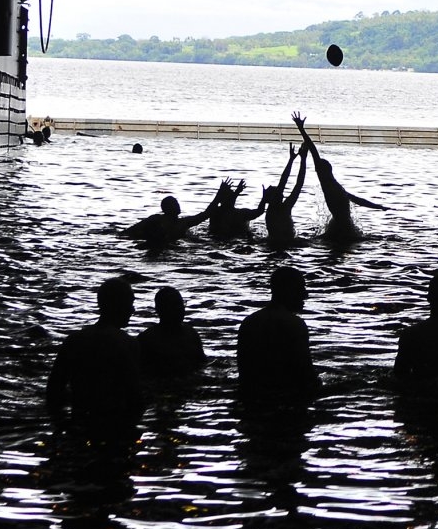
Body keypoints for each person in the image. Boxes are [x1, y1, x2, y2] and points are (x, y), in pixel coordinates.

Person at [46, 277, 143, 439]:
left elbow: (54, 391)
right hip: (114, 425)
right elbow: (134, 396)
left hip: (79, 421)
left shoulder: (73, 340)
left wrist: (61, 424)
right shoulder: (127, 344)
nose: (132, 310)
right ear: (117, 305)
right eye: (129, 304)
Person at [292, 111, 388, 240]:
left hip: (341, 226)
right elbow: (314, 151)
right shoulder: (327, 184)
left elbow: (357, 200)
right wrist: (301, 129)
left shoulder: (335, 186)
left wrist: (378, 206)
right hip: (341, 227)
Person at [236, 266, 320, 395]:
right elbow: (306, 374)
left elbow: (244, 371)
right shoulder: (294, 324)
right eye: (300, 289)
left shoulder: (249, 322)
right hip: (285, 396)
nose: (305, 295)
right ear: (288, 291)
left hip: (250, 394)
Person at [138, 286, 206, 378]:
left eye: (181, 304)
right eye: (174, 305)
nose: (179, 309)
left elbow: (203, 363)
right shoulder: (147, 340)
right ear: (160, 309)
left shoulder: (191, 334)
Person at [123, 191, 217, 245]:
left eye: (177, 203)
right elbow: (131, 230)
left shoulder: (183, 222)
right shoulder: (156, 219)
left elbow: (204, 215)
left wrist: (219, 196)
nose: (178, 205)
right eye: (174, 204)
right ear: (166, 208)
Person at [264, 143, 309, 245]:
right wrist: (303, 159)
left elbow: (288, 182)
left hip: (273, 244)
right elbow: (297, 183)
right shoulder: (284, 208)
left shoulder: (273, 209)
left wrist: (292, 160)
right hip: (288, 243)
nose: (280, 190)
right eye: (276, 190)